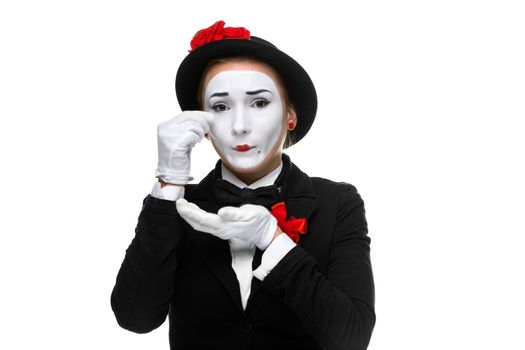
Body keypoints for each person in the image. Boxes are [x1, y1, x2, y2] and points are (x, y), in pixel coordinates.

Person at [111, 20, 375, 350]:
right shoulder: (175, 206)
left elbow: (352, 339)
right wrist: (169, 183)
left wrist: (273, 240)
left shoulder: (337, 202)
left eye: (259, 103)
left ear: (290, 115)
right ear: (202, 123)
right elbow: (135, 318)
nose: (239, 126)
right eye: (220, 107)